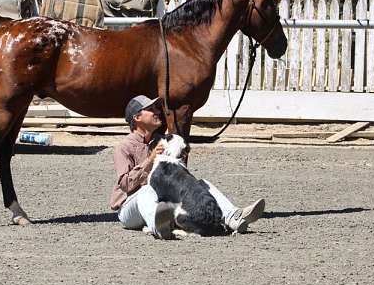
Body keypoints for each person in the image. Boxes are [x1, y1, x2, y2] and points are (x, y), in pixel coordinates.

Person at [110, 95, 265, 239]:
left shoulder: (164, 140)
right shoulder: (123, 147)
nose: (157, 112)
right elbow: (125, 185)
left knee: (201, 184)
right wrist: (150, 160)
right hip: (130, 209)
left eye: (156, 108)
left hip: (163, 203)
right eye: (150, 110)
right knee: (146, 190)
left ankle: (234, 217)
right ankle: (158, 227)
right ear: (137, 117)